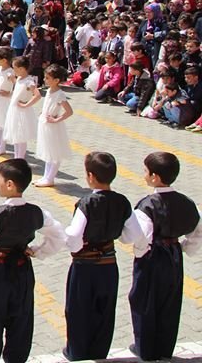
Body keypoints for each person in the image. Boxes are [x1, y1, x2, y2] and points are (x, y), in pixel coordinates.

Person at [0, 159, 66, 363]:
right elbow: (59, 236)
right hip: (23, 269)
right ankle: (16, 358)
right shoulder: (37, 212)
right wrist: (38, 251)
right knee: (21, 317)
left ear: (9, 184)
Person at [62, 152, 146, 361]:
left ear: (90, 176)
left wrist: (76, 248)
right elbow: (134, 235)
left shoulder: (86, 202)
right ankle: (99, 350)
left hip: (84, 264)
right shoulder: (122, 201)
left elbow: (73, 234)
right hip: (109, 263)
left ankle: (77, 351)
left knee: (78, 309)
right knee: (105, 309)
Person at [128, 151, 202, 361]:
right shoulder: (187, 202)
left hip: (153, 257)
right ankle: (164, 347)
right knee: (170, 301)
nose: (144, 174)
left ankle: (146, 348)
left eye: (145, 171)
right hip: (174, 256)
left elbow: (142, 237)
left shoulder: (147, 204)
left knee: (144, 300)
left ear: (155, 177)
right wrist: (185, 247)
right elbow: (198, 231)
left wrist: (140, 254)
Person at [34, 65, 73, 187]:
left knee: (54, 153)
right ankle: (46, 176)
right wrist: (43, 112)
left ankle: (50, 178)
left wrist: (57, 119)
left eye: (47, 78)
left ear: (56, 80)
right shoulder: (50, 90)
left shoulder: (60, 94)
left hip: (53, 127)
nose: (44, 80)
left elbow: (69, 111)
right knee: (48, 151)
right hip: (45, 124)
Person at [2, 57, 40, 160]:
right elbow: (18, 85)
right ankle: (16, 157)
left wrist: (26, 105)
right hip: (14, 109)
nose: (13, 70)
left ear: (22, 69)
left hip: (22, 111)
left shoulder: (29, 81)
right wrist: (12, 80)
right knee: (15, 134)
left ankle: (20, 158)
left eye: (14, 68)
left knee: (21, 135)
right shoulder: (19, 78)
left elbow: (37, 95)